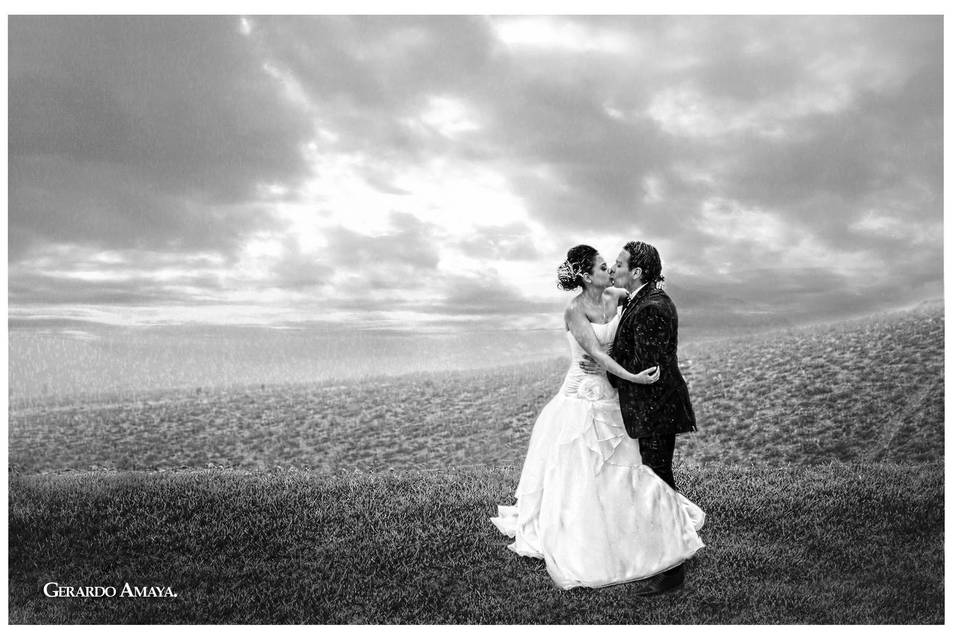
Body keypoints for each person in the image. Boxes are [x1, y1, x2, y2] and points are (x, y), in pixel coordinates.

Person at [491, 244, 704, 591]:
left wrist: (625, 372)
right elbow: (596, 354)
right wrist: (626, 374)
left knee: (638, 468)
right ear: (587, 276)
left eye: (615, 264)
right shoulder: (576, 311)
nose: (611, 269)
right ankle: (598, 533)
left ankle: (660, 547)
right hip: (584, 394)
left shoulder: (623, 297)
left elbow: (641, 330)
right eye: (605, 266)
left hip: (626, 396)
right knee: (586, 469)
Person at [581, 240, 698, 594]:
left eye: (620, 264)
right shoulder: (642, 300)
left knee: (659, 484)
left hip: (656, 409)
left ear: (638, 272)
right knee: (656, 481)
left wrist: (604, 365)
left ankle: (672, 571)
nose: (615, 269)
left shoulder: (652, 307)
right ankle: (665, 555)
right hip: (649, 409)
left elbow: (645, 367)